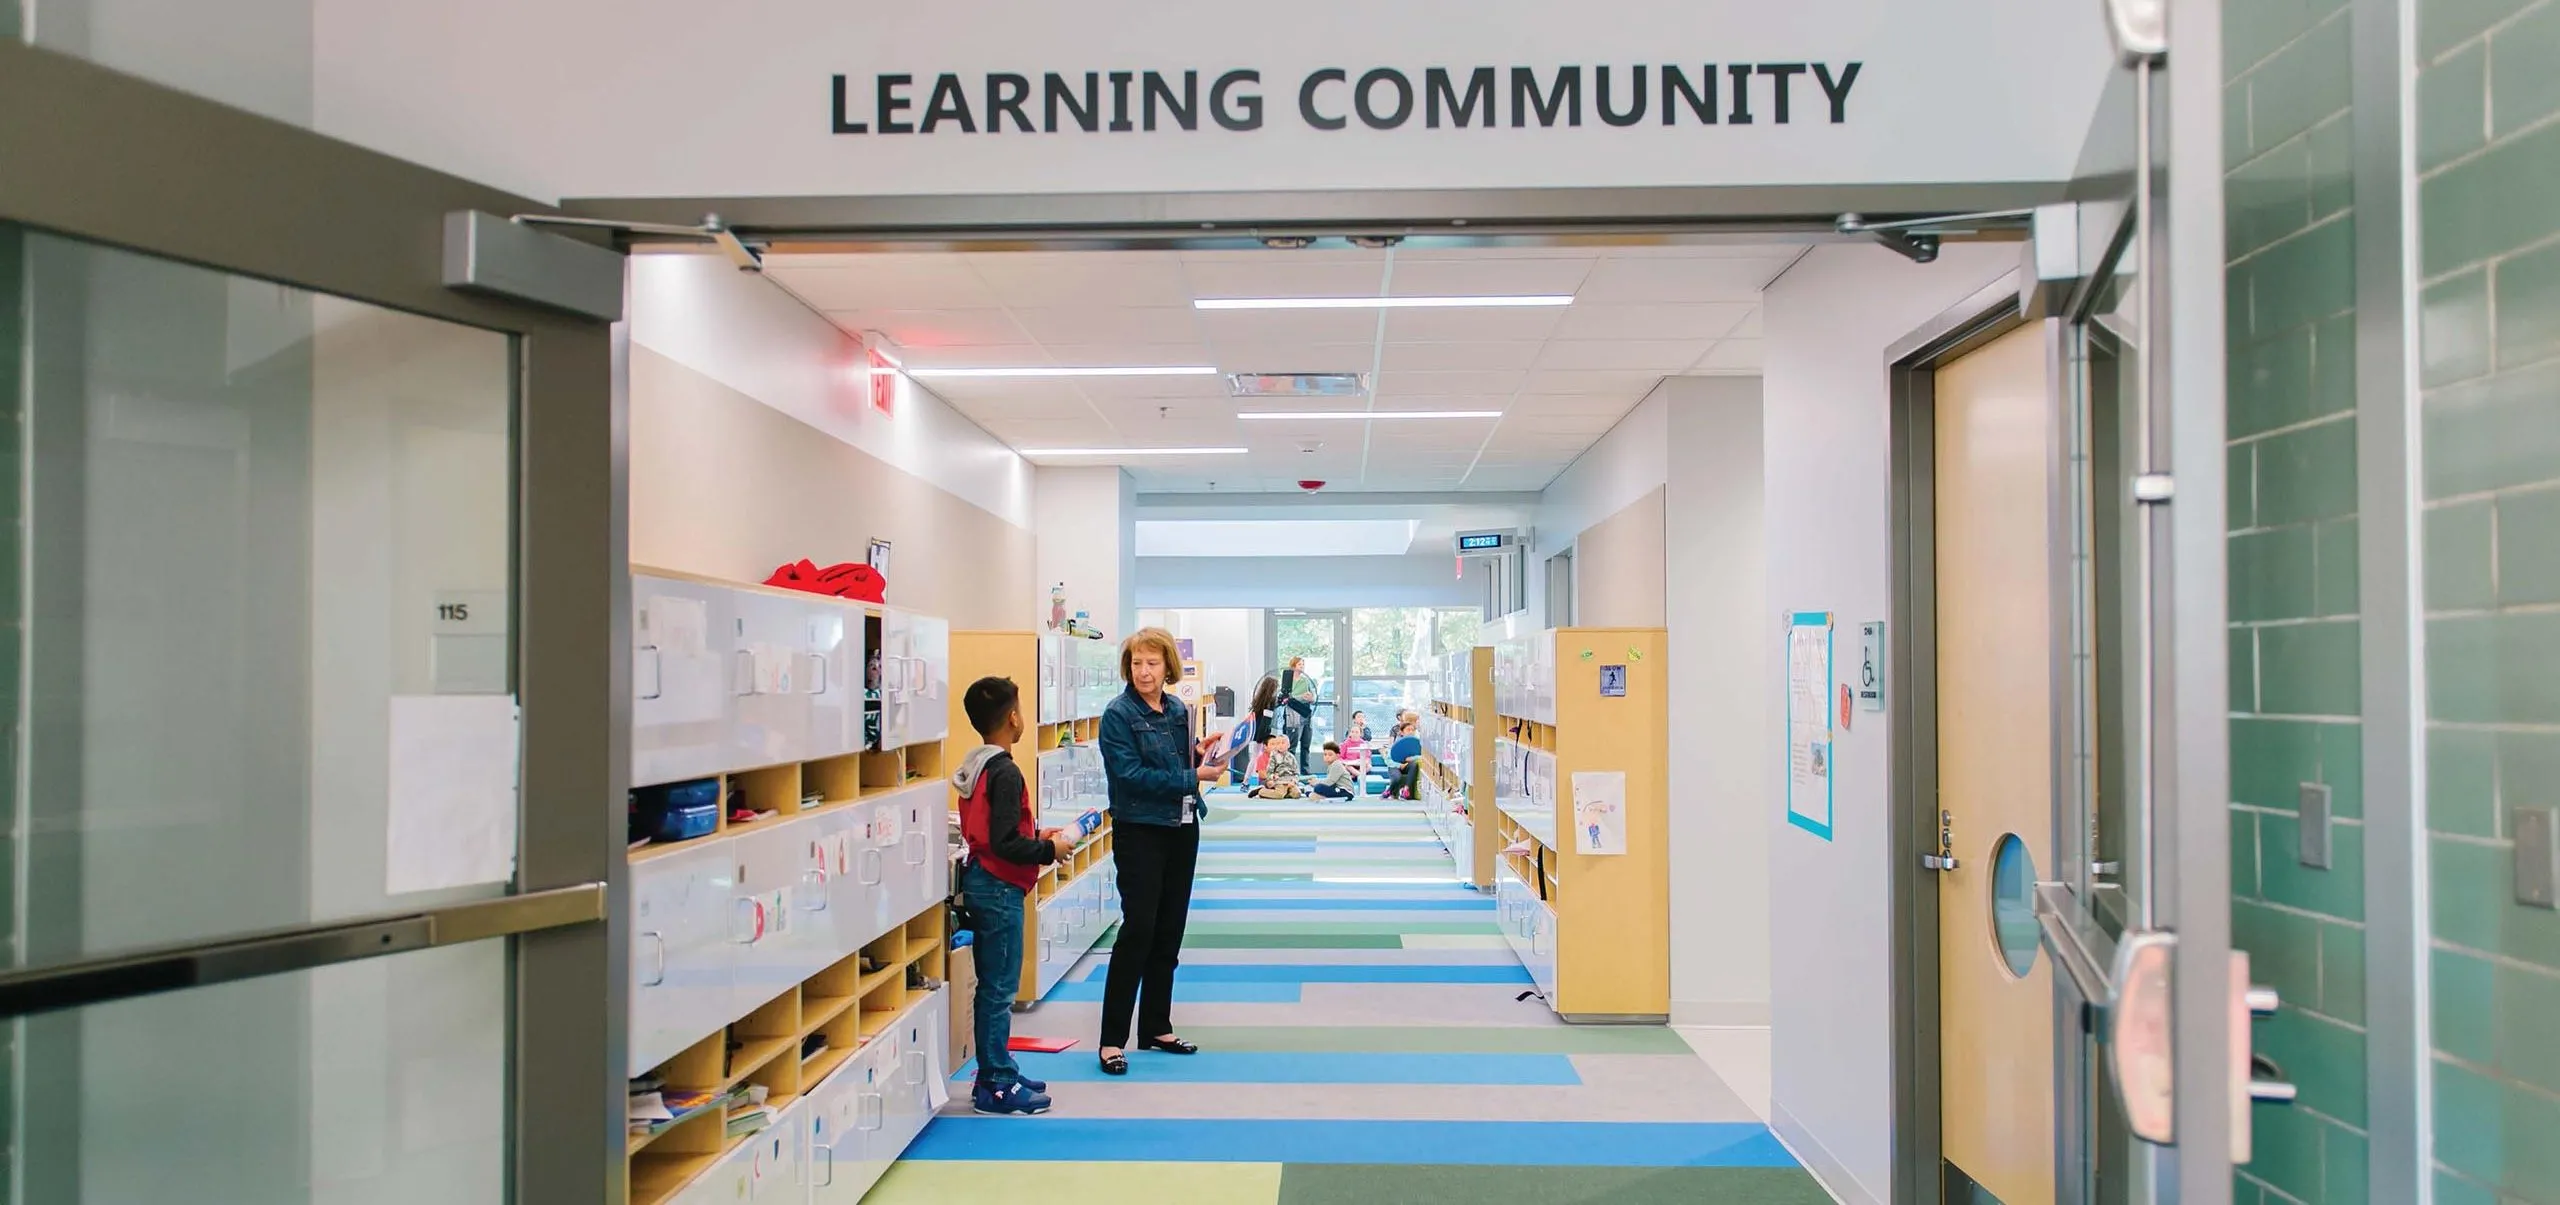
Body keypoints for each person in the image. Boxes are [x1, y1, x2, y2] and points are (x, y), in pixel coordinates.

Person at [1094, 627, 1222, 1077]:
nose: (1144, 672)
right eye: (1136, 663)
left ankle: (1155, 1025)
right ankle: (1112, 1039)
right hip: (1140, 830)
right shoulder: (1118, 714)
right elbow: (1129, 776)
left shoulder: (1177, 710)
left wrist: (1198, 754)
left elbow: (1174, 763)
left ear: (1168, 666)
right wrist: (1195, 777)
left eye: (1152, 663)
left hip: (1182, 826)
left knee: (1169, 932)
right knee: (1138, 931)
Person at [952, 676, 1075, 1116]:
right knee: (999, 988)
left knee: (996, 985)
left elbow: (994, 831)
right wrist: (1049, 849)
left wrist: (1038, 836)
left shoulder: (979, 764)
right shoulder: (1005, 770)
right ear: (1014, 718)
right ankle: (996, 1084)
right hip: (1000, 887)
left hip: (987, 879)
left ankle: (999, 1066)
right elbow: (1005, 842)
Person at [1279, 656, 1318, 769]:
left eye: (1303, 664)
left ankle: (1305, 770)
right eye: (1300, 664)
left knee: (1306, 743)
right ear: (1293, 666)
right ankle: (1290, 769)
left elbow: (1313, 696)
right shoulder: (1287, 680)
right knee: (1292, 743)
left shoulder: (1306, 681)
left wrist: (1311, 699)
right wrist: (1301, 697)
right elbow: (1286, 698)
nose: (1302, 667)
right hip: (1292, 714)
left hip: (1306, 713)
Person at [1384, 718, 1425, 800]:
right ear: (1402, 732)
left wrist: (1412, 758)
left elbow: (1423, 755)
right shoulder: (1395, 744)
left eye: (1412, 730)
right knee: (1397, 778)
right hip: (1395, 766)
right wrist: (1399, 765)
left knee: (1414, 765)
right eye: (1408, 730)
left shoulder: (1417, 743)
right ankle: (1389, 791)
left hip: (1408, 766)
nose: (1411, 732)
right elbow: (1388, 760)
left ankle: (1406, 789)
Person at [1253, 733, 1302, 799]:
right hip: (1279, 781)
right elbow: (1269, 772)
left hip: (1290, 781)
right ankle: (1261, 791)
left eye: (1283, 743)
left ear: (1288, 745)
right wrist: (1273, 777)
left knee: (1297, 794)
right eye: (1278, 743)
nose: (1280, 745)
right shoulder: (1273, 757)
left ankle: (1285, 793)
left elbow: (1297, 772)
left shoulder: (1292, 757)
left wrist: (1294, 781)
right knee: (1279, 795)